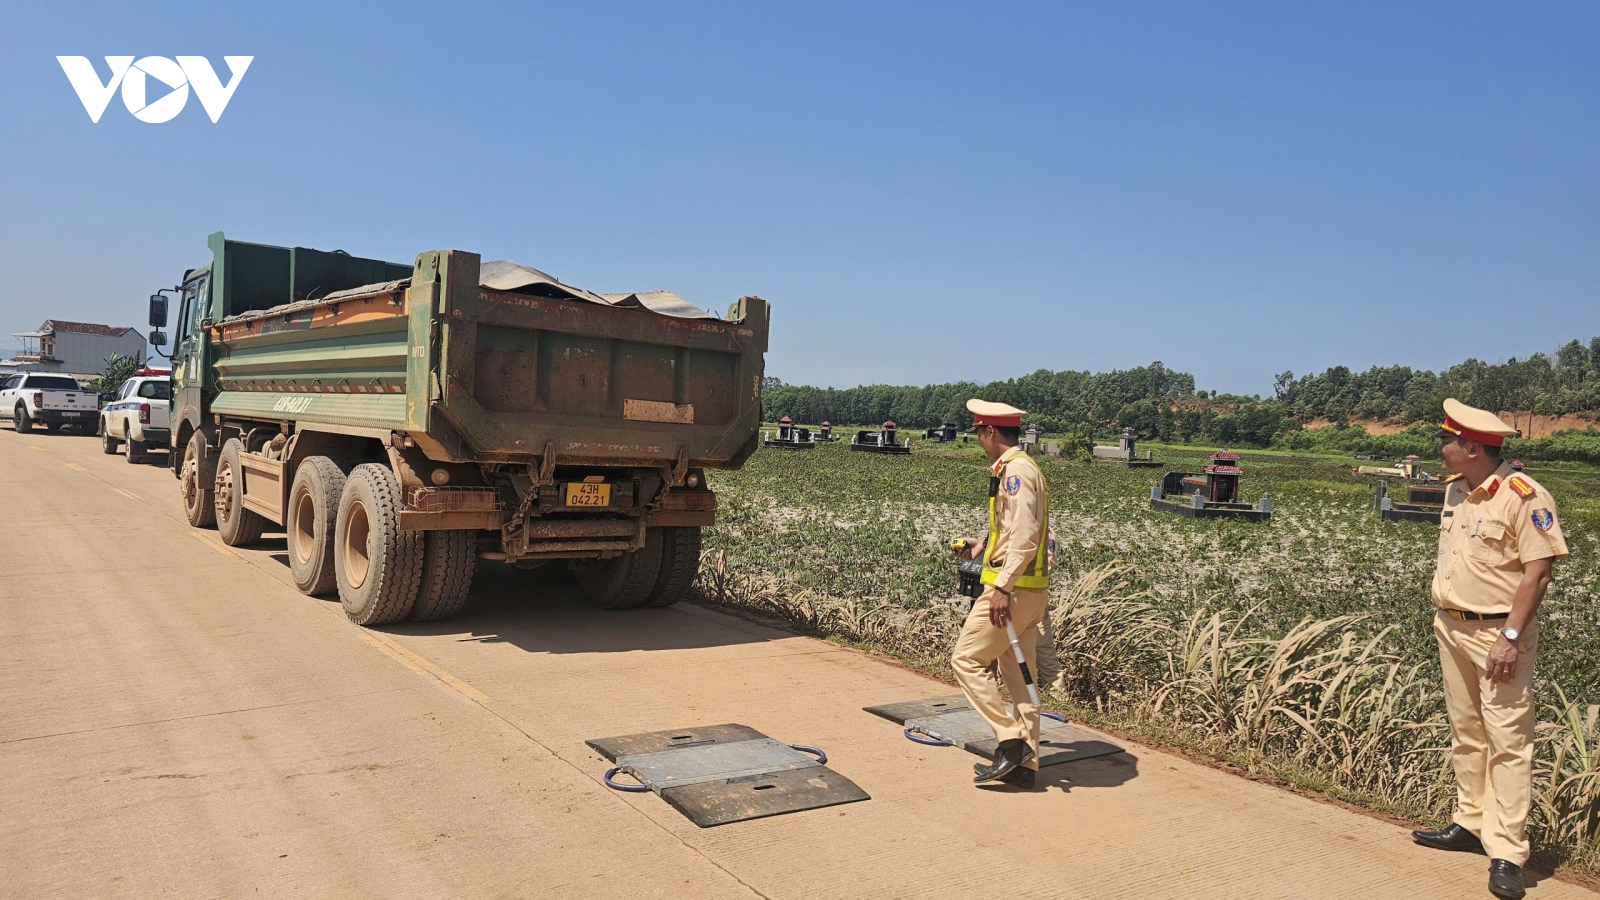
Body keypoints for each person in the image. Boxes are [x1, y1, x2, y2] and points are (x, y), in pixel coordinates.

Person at [1411, 399, 1568, 900]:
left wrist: (1511, 637)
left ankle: (1506, 851)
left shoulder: (1524, 496)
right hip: (1452, 625)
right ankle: (1469, 822)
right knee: (1467, 731)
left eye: (1447, 440)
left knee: (1507, 738)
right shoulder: (1458, 490)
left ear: (1471, 447)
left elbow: (1537, 572)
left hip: (1498, 635)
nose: (1440, 447)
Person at [950, 399, 1050, 787]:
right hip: (1031, 591)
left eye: (978, 432)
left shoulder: (1016, 472)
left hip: (1014, 591)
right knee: (1020, 679)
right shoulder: (1024, 469)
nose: (978, 440)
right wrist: (983, 544)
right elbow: (1015, 531)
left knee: (966, 661)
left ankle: (1011, 742)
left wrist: (1003, 587)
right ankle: (1026, 767)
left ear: (990, 431)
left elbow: (1025, 536)